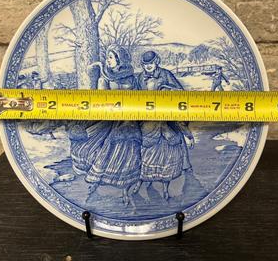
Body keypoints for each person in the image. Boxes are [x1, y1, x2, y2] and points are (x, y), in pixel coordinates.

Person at [82, 44, 142, 206]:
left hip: (131, 119)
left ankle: (127, 188)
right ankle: (99, 184)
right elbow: (102, 101)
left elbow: (140, 96)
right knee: (109, 149)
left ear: (119, 59)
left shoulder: (131, 77)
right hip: (114, 120)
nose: (108, 61)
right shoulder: (105, 78)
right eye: (107, 57)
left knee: (132, 152)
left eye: (111, 57)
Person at [134, 51, 194, 201]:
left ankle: (166, 186)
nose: (148, 67)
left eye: (151, 63)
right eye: (146, 64)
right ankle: (143, 180)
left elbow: (181, 93)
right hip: (147, 118)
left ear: (157, 62)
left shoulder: (166, 74)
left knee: (168, 152)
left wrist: (167, 90)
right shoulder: (140, 77)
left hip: (165, 116)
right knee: (146, 151)